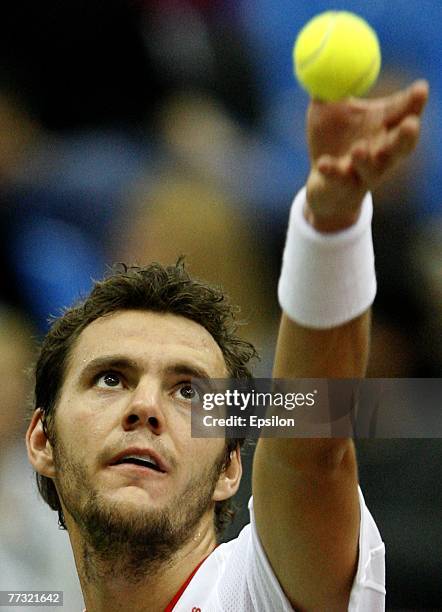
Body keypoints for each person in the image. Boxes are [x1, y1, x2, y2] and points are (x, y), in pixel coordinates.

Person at [26, 79, 429, 611]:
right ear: (42, 440)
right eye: (110, 379)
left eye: (189, 392)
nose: (145, 407)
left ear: (229, 469)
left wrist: (331, 226)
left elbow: (314, 448)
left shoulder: (252, 592)